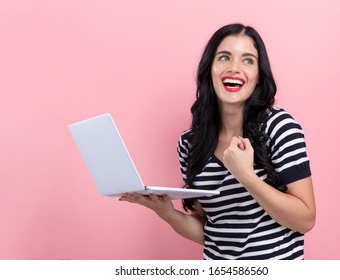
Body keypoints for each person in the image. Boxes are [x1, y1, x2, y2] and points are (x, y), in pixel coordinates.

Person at [120, 23, 316, 260]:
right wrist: (168, 213)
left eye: (247, 60)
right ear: (209, 69)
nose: (234, 68)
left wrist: (246, 176)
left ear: (258, 76)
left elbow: (305, 220)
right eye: (224, 57)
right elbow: (213, 231)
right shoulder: (190, 144)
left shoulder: (279, 127)